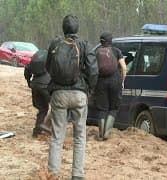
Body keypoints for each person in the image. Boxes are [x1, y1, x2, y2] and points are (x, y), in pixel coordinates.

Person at [46, 14, 98, 179]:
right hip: (79, 94)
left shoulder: (55, 44)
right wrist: (89, 89)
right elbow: (93, 71)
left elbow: (48, 67)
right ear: (78, 29)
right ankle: (77, 175)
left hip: (59, 94)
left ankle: (53, 174)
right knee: (79, 136)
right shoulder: (85, 45)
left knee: (56, 136)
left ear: (63, 29)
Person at [93, 32, 126, 141]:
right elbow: (124, 67)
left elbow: (92, 68)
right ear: (110, 41)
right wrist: (122, 81)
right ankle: (107, 132)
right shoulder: (116, 51)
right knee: (114, 108)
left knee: (102, 109)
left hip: (100, 83)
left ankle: (101, 134)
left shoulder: (96, 52)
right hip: (115, 82)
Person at [24, 50, 51, 138]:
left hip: (35, 85)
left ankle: (36, 132)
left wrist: (29, 82)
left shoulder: (36, 57)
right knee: (57, 107)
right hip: (46, 85)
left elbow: (27, 70)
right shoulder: (50, 57)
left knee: (42, 109)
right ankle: (50, 129)